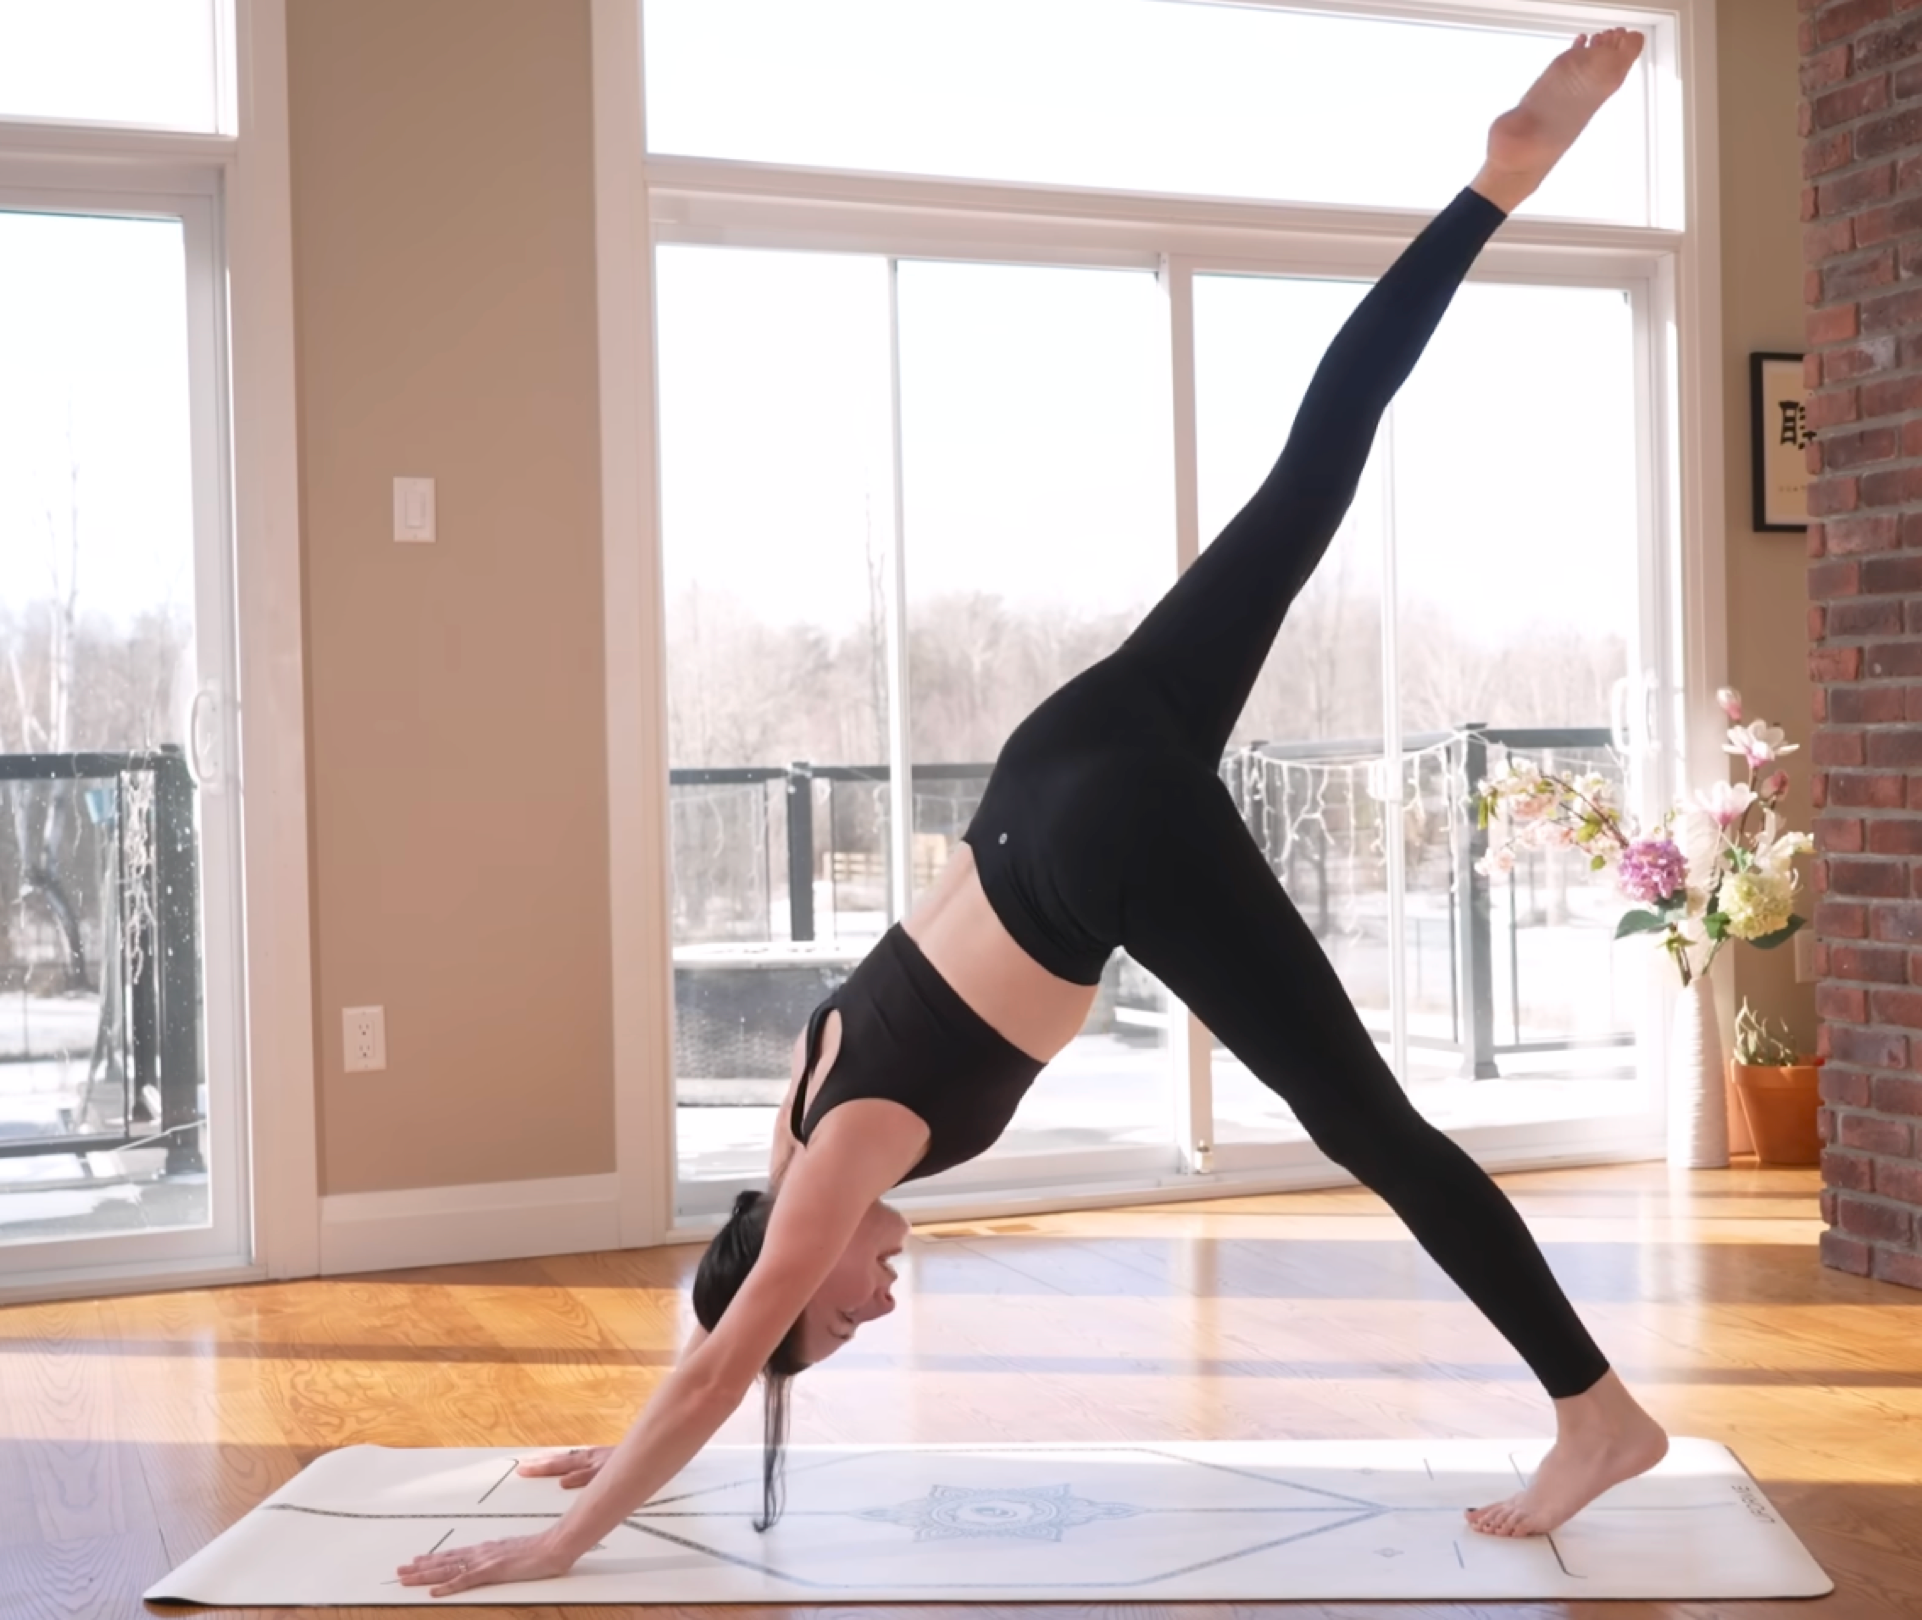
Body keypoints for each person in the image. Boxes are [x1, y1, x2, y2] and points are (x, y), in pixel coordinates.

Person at [399, 28, 1660, 1598]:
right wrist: (638, 1439)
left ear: (794, 1264)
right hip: (1058, 753)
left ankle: (1597, 1412)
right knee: (1306, 484)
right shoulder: (794, 1115)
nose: (880, 1298)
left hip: (1091, 842)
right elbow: (728, 1354)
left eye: (847, 1307)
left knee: (1367, 1125)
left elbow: (727, 1358)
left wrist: (562, 1539)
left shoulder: (838, 1163)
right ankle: (1493, 187)